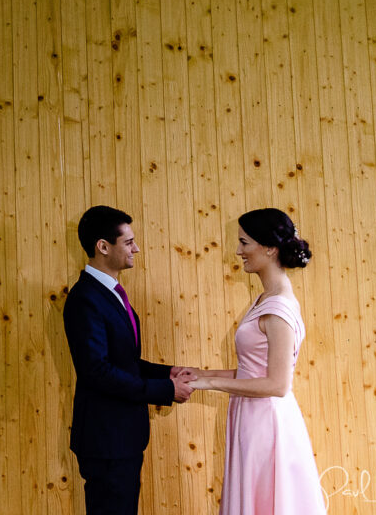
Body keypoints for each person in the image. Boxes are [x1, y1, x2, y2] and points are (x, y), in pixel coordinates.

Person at [186, 209, 322, 514]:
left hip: (266, 421)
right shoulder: (266, 299)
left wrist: (209, 383)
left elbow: (277, 384)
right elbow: (252, 369)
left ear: (270, 248)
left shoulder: (278, 308)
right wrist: (202, 373)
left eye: (244, 243)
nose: (238, 251)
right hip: (250, 414)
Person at [63, 205, 194, 515]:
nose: (136, 248)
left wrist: (168, 372)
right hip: (106, 440)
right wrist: (165, 390)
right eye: (128, 242)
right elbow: (97, 370)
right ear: (103, 247)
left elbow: (124, 360)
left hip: (122, 438)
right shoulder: (85, 298)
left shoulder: (111, 294)